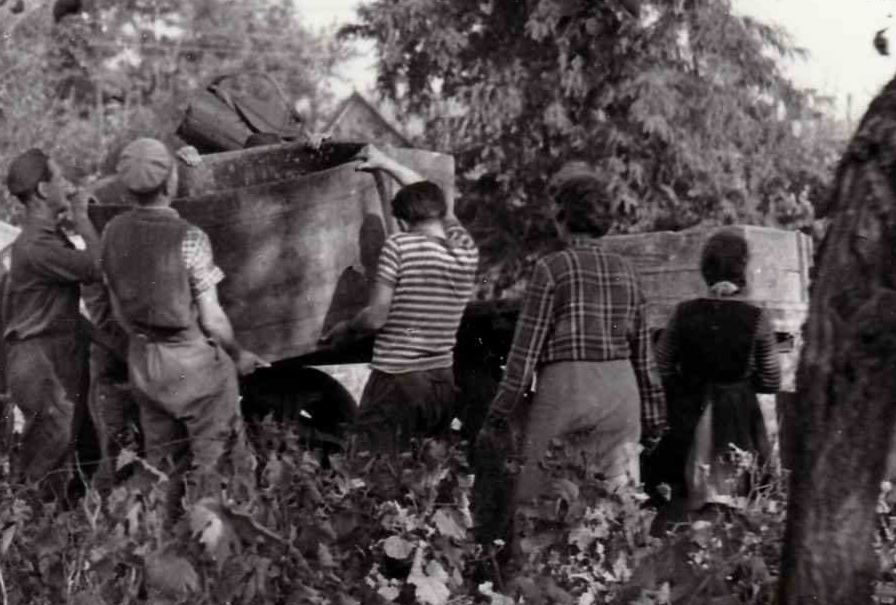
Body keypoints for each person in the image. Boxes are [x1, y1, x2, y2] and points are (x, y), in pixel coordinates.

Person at [480, 166, 665, 500]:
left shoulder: (551, 269)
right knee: (614, 501)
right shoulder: (629, 272)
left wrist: (497, 417)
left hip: (566, 389)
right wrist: (653, 422)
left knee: (541, 497)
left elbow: (523, 357)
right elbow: (644, 357)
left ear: (563, 218)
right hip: (620, 392)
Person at [99, 137, 268, 469]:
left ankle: (160, 520)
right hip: (192, 368)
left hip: (145, 365)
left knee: (163, 466)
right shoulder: (189, 237)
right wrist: (238, 355)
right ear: (170, 182)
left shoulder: (111, 233)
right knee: (218, 465)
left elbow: (118, 310)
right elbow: (213, 319)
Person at [323, 145, 478, 455]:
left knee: (372, 469)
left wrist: (347, 327)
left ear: (404, 222)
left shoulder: (400, 246)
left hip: (399, 380)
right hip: (441, 381)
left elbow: (376, 316)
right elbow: (429, 195)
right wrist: (387, 163)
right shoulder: (465, 248)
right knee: (421, 472)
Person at [644, 228, 781, 513]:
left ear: (704, 269)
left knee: (682, 502)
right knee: (737, 502)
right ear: (742, 268)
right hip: (737, 418)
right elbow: (771, 379)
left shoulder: (683, 314)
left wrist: (685, 382)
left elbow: (660, 365)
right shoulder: (757, 319)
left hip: (687, 416)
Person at [3, 148, 101, 490]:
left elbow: (66, 313)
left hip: (58, 353)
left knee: (86, 449)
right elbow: (97, 268)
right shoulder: (34, 247)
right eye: (60, 179)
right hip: (39, 360)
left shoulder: (49, 238)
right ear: (44, 191)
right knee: (48, 454)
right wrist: (84, 220)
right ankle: (21, 524)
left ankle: (60, 531)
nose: (68, 186)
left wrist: (111, 343)